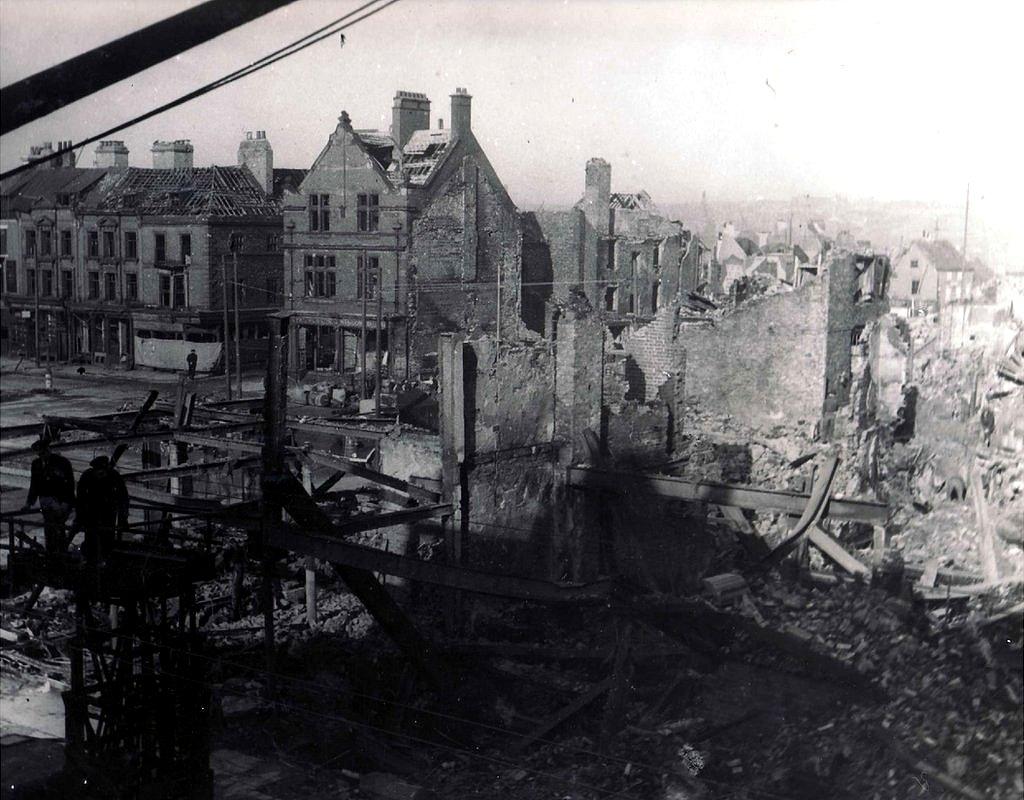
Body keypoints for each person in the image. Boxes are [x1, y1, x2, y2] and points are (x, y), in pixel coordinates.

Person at [23, 438, 76, 554]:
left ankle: (60, 552)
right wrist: (29, 503)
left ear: (48, 450)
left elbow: (70, 485)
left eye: (43, 453)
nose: (42, 456)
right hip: (46, 502)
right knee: (50, 528)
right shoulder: (36, 464)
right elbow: (34, 485)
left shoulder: (62, 463)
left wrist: (66, 503)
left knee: (58, 527)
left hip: (62, 502)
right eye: (39, 454)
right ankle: (52, 553)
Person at [75, 455, 129, 566]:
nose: (101, 475)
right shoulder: (87, 476)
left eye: (103, 472)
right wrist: (80, 516)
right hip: (91, 513)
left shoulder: (113, 475)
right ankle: (91, 562)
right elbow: (80, 498)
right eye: (99, 472)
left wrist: (123, 517)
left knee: (107, 538)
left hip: (108, 512)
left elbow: (123, 497)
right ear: (94, 470)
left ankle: (106, 562)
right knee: (91, 538)